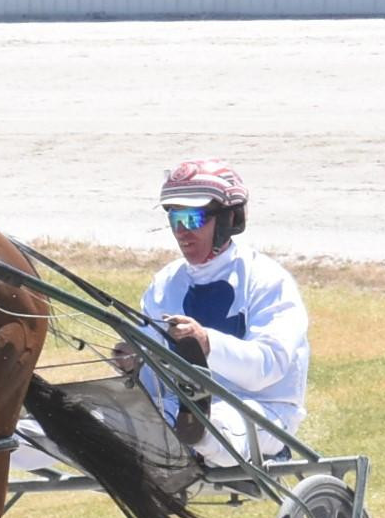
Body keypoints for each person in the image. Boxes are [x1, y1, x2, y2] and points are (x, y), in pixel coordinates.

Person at [115, 159, 310, 467]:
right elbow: (156, 383)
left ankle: (196, 434)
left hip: (262, 410)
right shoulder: (165, 284)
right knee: (96, 421)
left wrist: (206, 342)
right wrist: (134, 363)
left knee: (207, 424)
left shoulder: (268, 280)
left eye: (193, 219)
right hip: (180, 408)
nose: (182, 231)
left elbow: (267, 367)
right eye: (175, 219)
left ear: (229, 218)